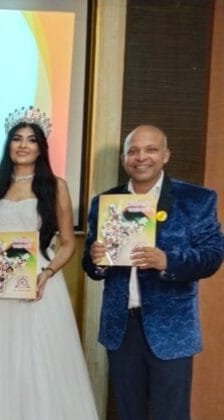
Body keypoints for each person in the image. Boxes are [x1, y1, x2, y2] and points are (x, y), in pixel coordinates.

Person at [0, 107, 98, 419]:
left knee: (39, 358)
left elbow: (68, 242)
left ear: (41, 147)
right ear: (8, 144)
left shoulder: (56, 186)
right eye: (17, 138)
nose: (23, 145)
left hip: (40, 282)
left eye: (31, 140)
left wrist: (48, 272)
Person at [82, 125, 224, 420]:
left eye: (151, 150)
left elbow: (212, 256)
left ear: (166, 155)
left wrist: (168, 261)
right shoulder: (105, 203)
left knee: (171, 414)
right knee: (128, 412)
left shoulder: (196, 200)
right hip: (121, 329)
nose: (141, 157)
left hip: (172, 331)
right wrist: (97, 260)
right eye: (133, 151)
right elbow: (92, 266)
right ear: (124, 158)